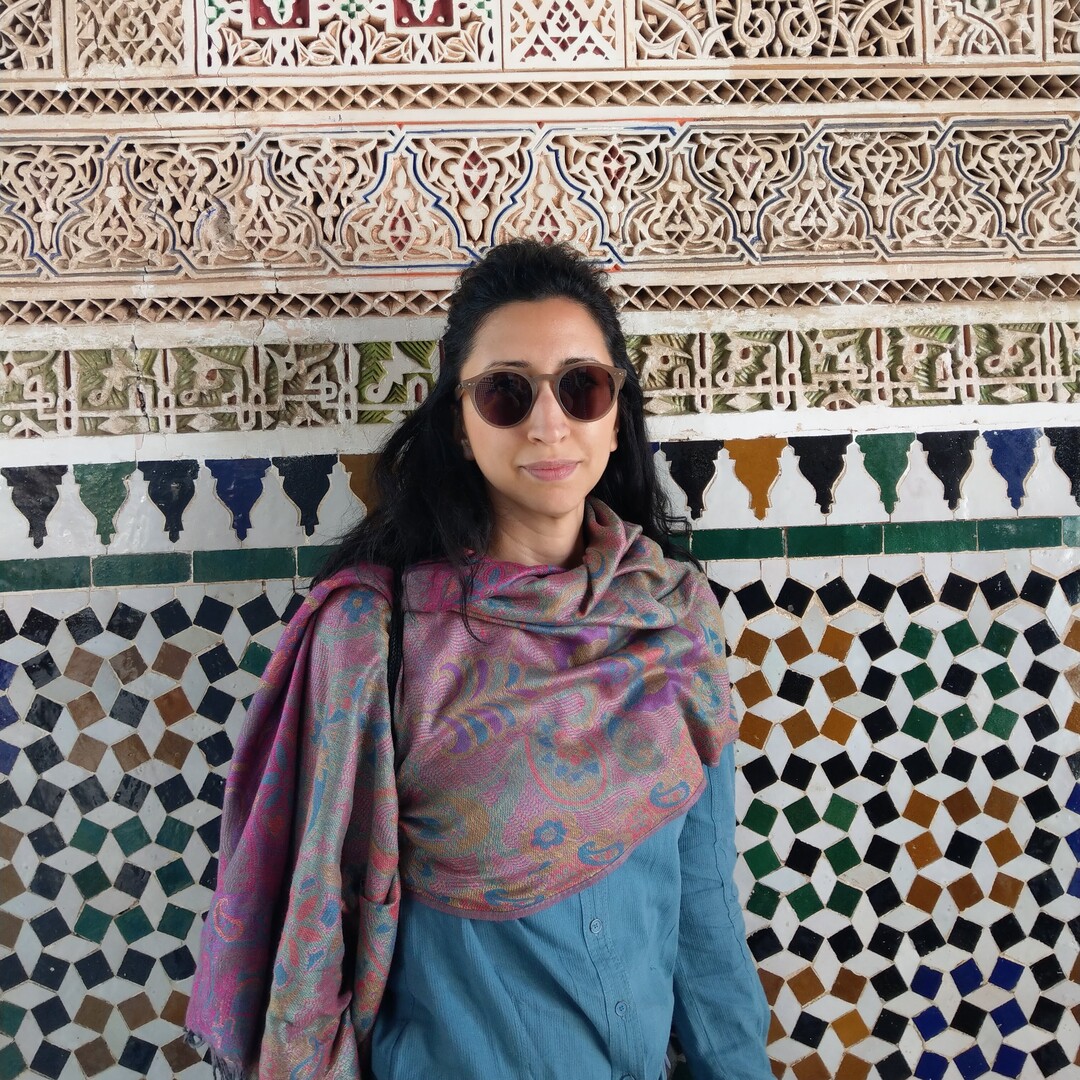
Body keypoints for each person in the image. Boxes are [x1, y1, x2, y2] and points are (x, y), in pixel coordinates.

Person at [186, 239, 772, 1080]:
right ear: (460, 427)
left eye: (582, 386)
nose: (548, 422)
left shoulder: (676, 617)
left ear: (615, 414)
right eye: (505, 393)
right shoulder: (377, 641)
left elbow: (707, 912)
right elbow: (313, 937)